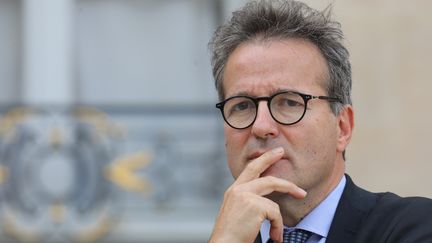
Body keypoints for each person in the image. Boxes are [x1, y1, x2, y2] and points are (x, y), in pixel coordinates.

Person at [207, 0, 432, 242]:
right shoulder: (226, 237)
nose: (261, 126)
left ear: (342, 127)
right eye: (242, 106)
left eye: (290, 102)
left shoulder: (415, 227)